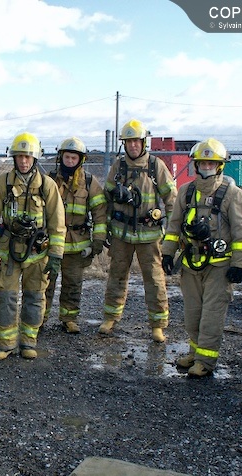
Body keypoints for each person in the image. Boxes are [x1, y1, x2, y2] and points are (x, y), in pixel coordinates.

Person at [161, 138, 242, 377]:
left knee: (211, 316)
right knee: (193, 315)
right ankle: (195, 353)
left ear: (219, 166)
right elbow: (174, 226)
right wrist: (167, 253)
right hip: (191, 264)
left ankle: (205, 361)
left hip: (219, 267)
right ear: (196, 165)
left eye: (211, 164)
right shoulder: (186, 191)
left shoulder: (232, 194)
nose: (206, 167)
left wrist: (240, 265)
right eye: (203, 163)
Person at [0, 132, 66, 359]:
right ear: (14, 158)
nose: (23, 161)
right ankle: (6, 344)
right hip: (8, 253)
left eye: (27, 156)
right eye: (19, 156)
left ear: (35, 158)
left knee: (35, 297)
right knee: (6, 297)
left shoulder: (47, 186)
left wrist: (56, 255)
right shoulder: (2, 183)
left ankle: (29, 342)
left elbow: (58, 223)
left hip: (38, 254)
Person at [99, 119, 176, 342]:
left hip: (149, 235)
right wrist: (105, 229)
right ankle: (110, 318)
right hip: (121, 233)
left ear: (144, 143)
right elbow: (106, 199)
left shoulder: (155, 166)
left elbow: (172, 200)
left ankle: (158, 325)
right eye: (129, 141)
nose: (133, 145)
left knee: (154, 279)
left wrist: (173, 235)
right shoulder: (118, 166)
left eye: (136, 141)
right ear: (124, 144)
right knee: (117, 275)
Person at [45, 137, 107, 333]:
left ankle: (69, 318)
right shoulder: (49, 180)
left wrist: (98, 240)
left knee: (73, 284)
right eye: (67, 157)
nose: (70, 161)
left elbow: (100, 213)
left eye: (74, 158)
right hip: (51, 244)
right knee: (45, 283)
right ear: (60, 158)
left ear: (81, 160)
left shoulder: (89, 182)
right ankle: (39, 318)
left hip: (77, 244)